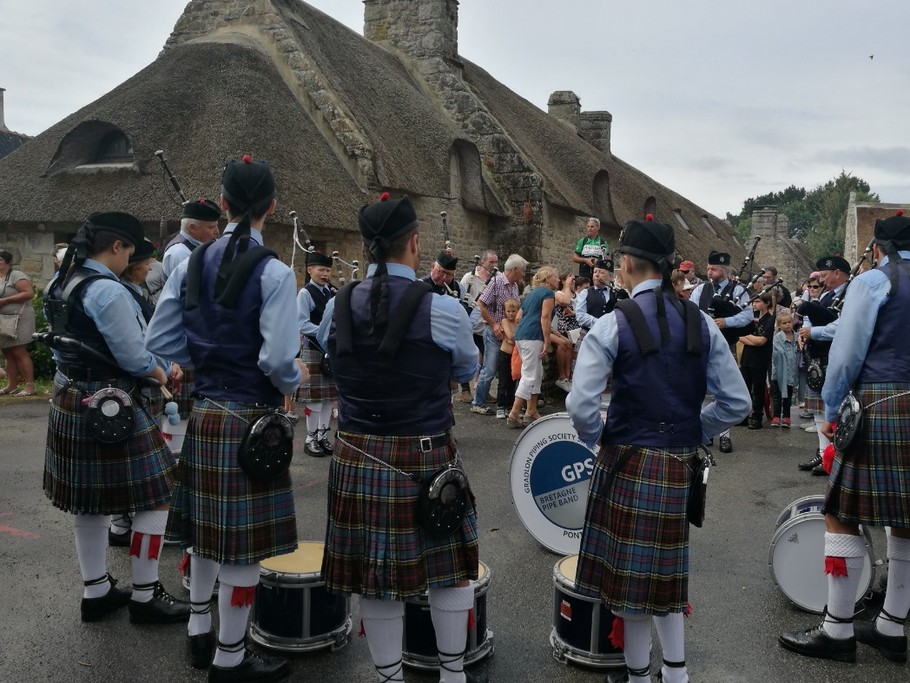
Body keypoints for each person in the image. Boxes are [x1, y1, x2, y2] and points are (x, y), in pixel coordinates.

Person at [567, 216, 750, 683]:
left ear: (625, 263)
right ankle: (676, 673)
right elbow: (737, 402)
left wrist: (598, 439)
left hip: (627, 460)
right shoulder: (703, 322)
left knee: (631, 580)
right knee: (666, 575)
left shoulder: (611, 325)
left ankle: (638, 674)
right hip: (678, 461)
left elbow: (582, 404)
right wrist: (695, 429)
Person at [146, 156, 305, 681]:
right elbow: (279, 361)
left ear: (226, 205)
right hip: (252, 417)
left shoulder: (190, 262)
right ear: (271, 207)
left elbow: (160, 342)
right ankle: (230, 659)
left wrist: (206, 360)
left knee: (205, 534)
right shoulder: (276, 271)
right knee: (242, 546)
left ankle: (199, 631)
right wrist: (292, 383)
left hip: (207, 413)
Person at [316, 193, 482, 683]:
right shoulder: (442, 309)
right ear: (414, 243)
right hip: (424, 452)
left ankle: (389, 678)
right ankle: (453, 676)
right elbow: (468, 366)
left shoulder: (338, 304)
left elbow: (329, 355)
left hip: (356, 455)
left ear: (367, 248)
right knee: (450, 570)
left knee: (375, 576)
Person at [41, 212, 189, 625]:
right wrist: (162, 374)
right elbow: (134, 356)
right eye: (131, 251)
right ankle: (144, 596)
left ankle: (97, 591)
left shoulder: (62, 282)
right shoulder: (108, 291)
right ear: (118, 247)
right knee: (157, 493)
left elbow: (59, 348)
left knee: (89, 503)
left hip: (71, 393)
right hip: (111, 400)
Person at [779, 210, 910, 665]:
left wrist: (832, 409)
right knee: (906, 519)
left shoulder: (875, 281)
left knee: (840, 513)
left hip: (881, 401)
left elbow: (849, 351)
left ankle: (837, 630)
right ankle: (892, 625)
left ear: (878, 248)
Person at [690, 250, 753, 453]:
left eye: (714, 269)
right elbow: (691, 312)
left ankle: (725, 435)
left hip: (727, 344)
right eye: (708, 268)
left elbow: (747, 316)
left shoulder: (738, 290)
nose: (709, 272)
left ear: (724, 271)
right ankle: (705, 433)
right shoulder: (700, 290)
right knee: (702, 389)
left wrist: (726, 322)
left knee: (725, 390)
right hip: (702, 345)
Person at [796, 256, 850, 474]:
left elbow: (844, 327)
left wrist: (813, 332)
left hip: (835, 357)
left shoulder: (850, 295)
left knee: (835, 408)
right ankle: (822, 454)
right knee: (819, 408)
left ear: (837, 273)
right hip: (817, 357)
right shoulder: (827, 294)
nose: (822, 280)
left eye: (825, 275)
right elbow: (810, 313)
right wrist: (804, 331)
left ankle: (836, 456)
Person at [470, 253, 527, 415]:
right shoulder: (496, 282)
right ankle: (478, 402)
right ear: (514, 269)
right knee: (489, 367)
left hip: (508, 335)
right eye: (522, 270)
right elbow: (481, 304)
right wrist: (494, 324)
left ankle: (504, 403)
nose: (523, 274)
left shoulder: (515, 286)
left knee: (508, 370)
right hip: (494, 331)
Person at [295, 250, 338, 457]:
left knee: (329, 398)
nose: (325, 274)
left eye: (328, 270)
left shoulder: (330, 292)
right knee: (315, 400)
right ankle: (310, 438)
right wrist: (325, 331)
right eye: (321, 269)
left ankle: (322, 436)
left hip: (328, 351)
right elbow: (301, 324)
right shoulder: (305, 294)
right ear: (310, 270)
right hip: (313, 350)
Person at [506, 266, 558, 428]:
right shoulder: (548, 294)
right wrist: (547, 340)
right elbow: (545, 316)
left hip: (522, 336)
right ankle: (514, 413)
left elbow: (519, 317)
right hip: (533, 337)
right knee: (529, 375)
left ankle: (531, 410)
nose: (558, 280)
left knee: (535, 372)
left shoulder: (531, 294)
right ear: (548, 279)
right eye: (556, 277)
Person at [458, 250, 498, 404]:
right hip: (469, 324)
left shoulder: (496, 279)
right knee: (465, 357)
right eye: (491, 262)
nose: (494, 265)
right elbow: (461, 298)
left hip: (484, 325)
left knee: (487, 360)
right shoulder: (469, 277)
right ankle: (465, 391)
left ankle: (483, 390)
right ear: (482, 262)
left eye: (496, 262)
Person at [0, 249, 37, 396]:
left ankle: (30, 386)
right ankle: (11, 385)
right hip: (3, 320)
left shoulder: (16, 275)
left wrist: (6, 301)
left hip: (20, 318)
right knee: (7, 352)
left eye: (0, 260)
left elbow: (29, 293)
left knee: (19, 351)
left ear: (8, 262)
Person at [738, 290, 775, 429]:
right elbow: (740, 334)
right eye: (754, 301)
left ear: (766, 303)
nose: (754, 304)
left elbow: (761, 341)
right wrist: (745, 337)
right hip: (747, 358)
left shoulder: (769, 320)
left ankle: (757, 417)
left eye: (758, 301)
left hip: (760, 359)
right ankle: (743, 416)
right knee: (745, 389)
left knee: (758, 389)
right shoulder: (751, 318)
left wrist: (743, 337)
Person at [160, 199, 221, 280]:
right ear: (192, 228)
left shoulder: (208, 244)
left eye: (216, 226)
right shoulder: (179, 253)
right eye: (211, 227)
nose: (217, 232)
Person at [770, 309, 798, 428]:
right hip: (778, 372)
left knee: (788, 396)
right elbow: (777, 353)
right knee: (777, 395)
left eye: (789, 322)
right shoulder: (777, 338)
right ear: (779, 325)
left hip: (791, 372)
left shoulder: (796, 337)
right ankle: (776, 416)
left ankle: (787, 417)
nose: (787, 325)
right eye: (784, 323)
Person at [575, 258, 618, 330]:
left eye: (601, 273)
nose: (597, 275)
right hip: (589, 335)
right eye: (595, 272)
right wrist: (600, 323)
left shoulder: (615, 293)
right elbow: (580, 315)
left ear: (611, 277)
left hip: (610, 335)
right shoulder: (585, 293)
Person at [496, 297, 520, 420]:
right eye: (508, 311)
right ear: (505, 311)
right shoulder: (505, 321)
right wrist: (514, 339)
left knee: (512, 382)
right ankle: (500, 406)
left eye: (513, 311)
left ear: (518, 311)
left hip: (514, 356)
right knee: (503, 382)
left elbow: (514, 338)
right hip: (504, 355)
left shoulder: (518, 322)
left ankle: (510, 406)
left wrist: (513, 339)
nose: (511, 313)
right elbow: (510, 336)